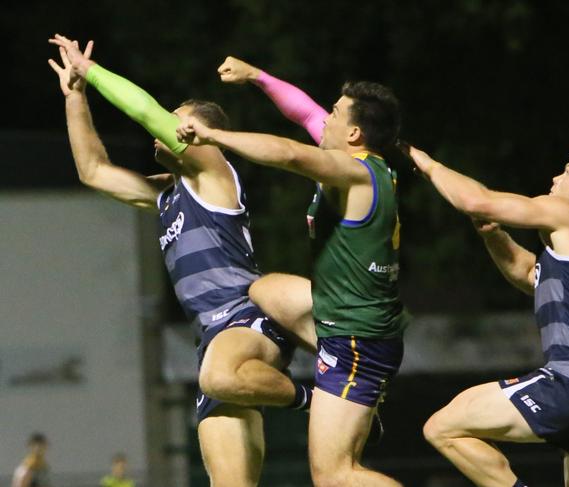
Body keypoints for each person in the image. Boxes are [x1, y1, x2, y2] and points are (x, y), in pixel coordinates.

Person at [48, 35, 311, 487]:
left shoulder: (213, 171)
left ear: (202, 137)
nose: (161, 129)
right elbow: (93, 170)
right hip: (211, 339)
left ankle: (318, 396)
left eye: (176, 123)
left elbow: (145, 111)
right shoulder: (168, 196)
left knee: (218, 376)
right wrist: (76, 96)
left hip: (246, 321)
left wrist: (91, 70)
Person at [176, 67, 409, 487]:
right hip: (353, 321)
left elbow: (289, 154)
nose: (326, 118)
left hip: (356, 337)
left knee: (336, 476)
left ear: (354, 133)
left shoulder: (355, 173)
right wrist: (256, 76)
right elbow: (302, 112)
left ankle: (341, 390)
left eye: (335, 114)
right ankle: (327, 374)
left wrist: (215, 137)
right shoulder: (362, 160)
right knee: (261, 289)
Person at [404, 141, 569, 487]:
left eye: (568, 171)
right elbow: (531, 276)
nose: (556, 177)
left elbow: (477, 200)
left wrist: (428, 164)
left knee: (443, 427)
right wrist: (493, 236)